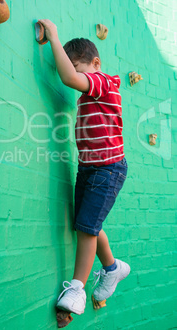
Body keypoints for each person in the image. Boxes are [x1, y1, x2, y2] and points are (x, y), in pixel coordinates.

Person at [37, 19, 130, 315]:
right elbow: (71, 76)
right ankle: (112, 267)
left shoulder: (104, 83)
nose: (76, 77)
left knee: (87, 228)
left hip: (108, 168)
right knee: (86, 222)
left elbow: (67, 78)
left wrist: (53, 35)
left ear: (96, 63)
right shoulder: (91, 93)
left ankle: (77, 287)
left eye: (79, 69)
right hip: (90, 168)